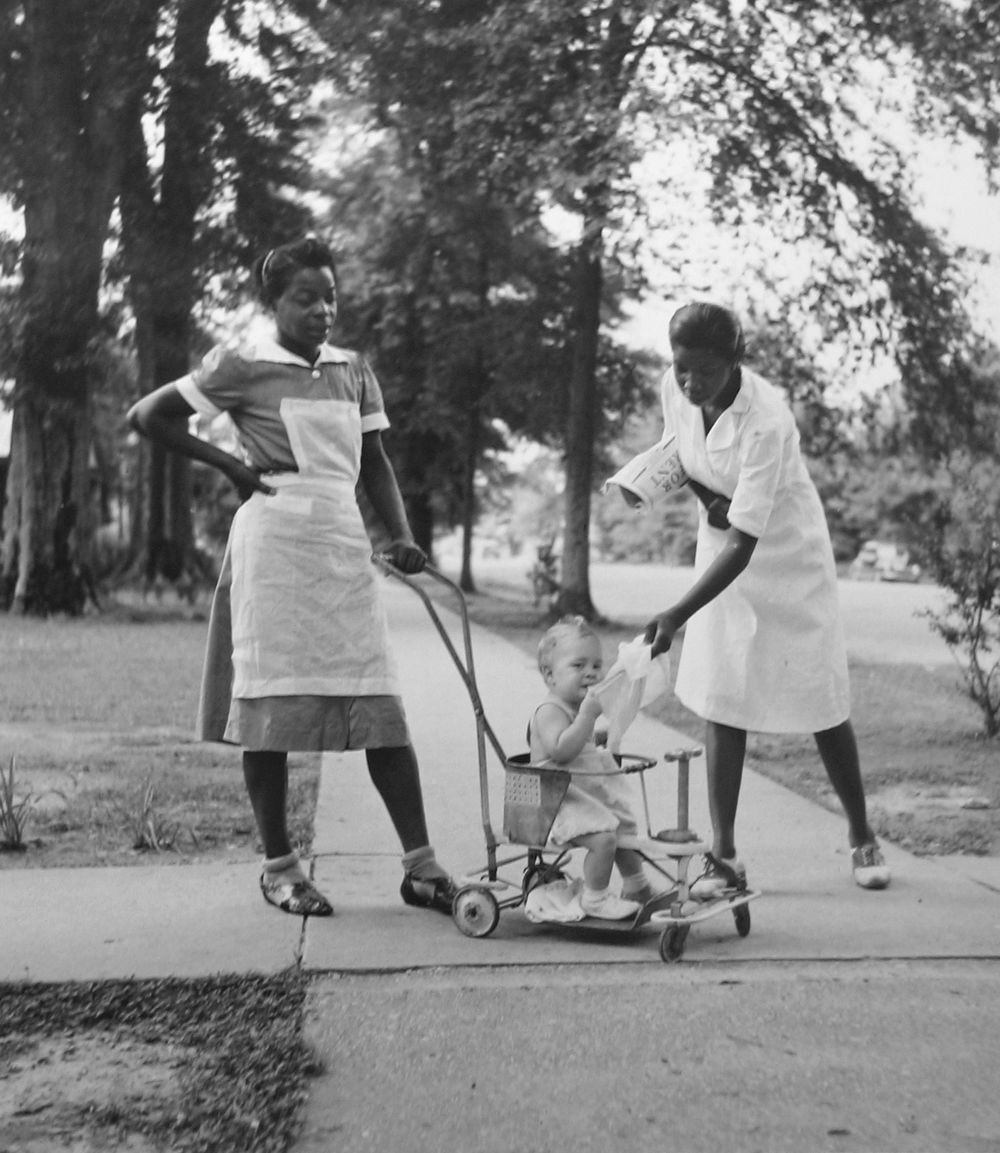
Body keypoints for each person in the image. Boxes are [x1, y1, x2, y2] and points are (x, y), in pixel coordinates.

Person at [127, 236, 457, 918]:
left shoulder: (353, 369)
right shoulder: (242, 364)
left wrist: (400, 535)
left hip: (342, 547)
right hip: (274, 549)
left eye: (330, 297)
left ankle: (420, 866)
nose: (321, 310)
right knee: (270, 715)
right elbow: (149, 415)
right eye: (305, 298)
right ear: (271, 303)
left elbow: (375, 462)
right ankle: (280, 866)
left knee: (381, 709)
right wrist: (232, 468)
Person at [643, 301, 890, 894]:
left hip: (784, 554)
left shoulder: (768, 420)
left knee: (820, 698)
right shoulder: (674, 390)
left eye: (705, 369)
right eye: (681, 367)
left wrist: (677, 613)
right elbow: (684, 457)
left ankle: (862, 834)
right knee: (723, 695)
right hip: (722, 547)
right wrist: (703, 503)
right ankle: (724, 855)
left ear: (736, 360)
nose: (691, 382)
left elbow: (748, 543)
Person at [529, 616, 660, 919]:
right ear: (550, 675)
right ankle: (595, 898)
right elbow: (560, 751)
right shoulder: (549, 710)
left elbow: (580, 748)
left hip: (580, 797)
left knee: (622, 824)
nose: (590, 673)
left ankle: (636, 884)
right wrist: (587, 717)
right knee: (604, 839)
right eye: (578, 666)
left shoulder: (574, 710)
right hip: (553, 805)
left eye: (596, 666)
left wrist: (601, 738)